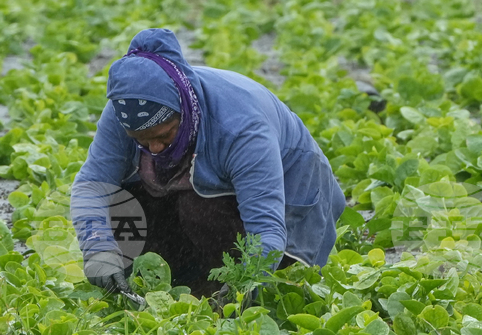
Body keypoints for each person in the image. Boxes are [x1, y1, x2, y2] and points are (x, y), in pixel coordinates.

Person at [71, 28, 346, 300]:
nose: (153, 148)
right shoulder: (126, 111)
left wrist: (244, 283)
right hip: (194, 193)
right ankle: (186, 287)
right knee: (121, 203)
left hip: (290, 206)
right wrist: (99, 252)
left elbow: (267, 229)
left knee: (199, 210)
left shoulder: (242, 129)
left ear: (183, 109)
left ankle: (215, 287)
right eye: (140, 139)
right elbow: (92, 185)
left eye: (163, 135)